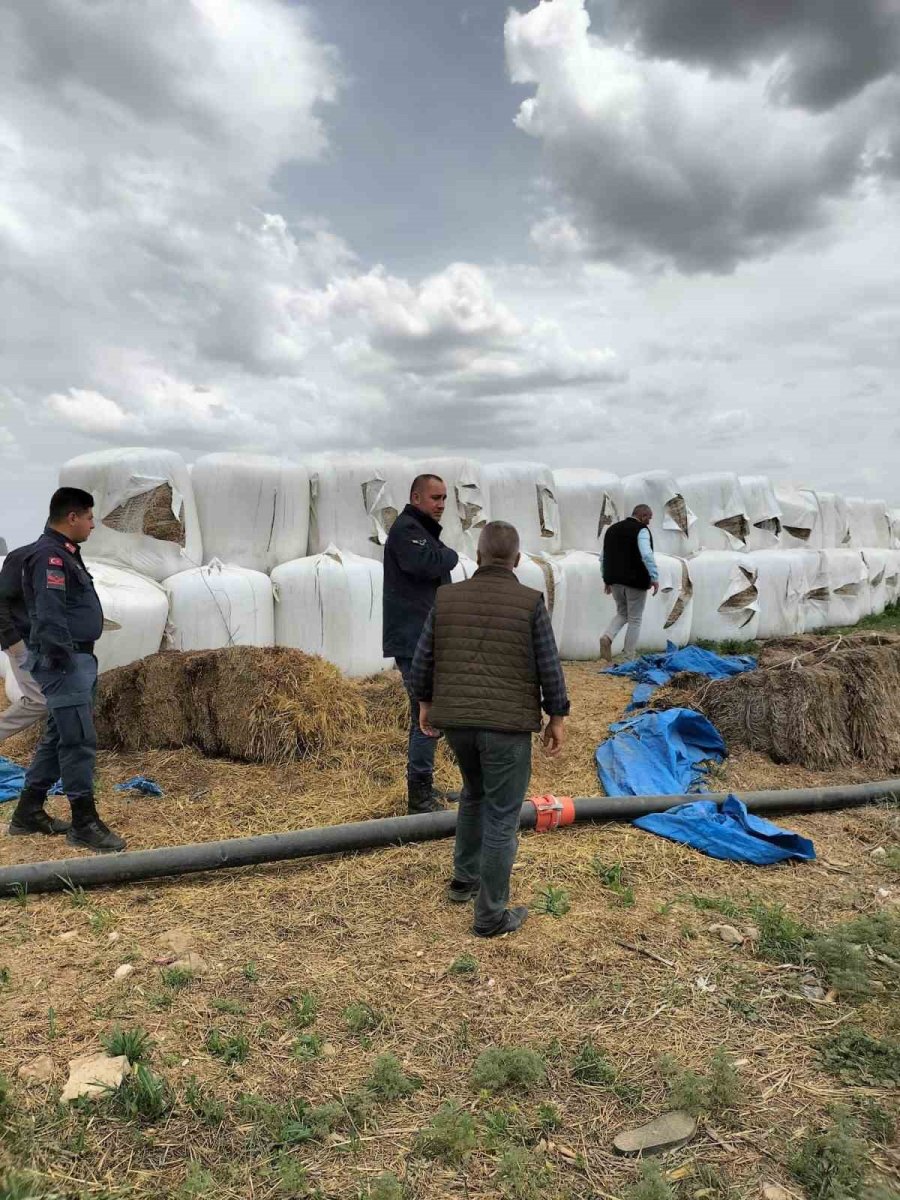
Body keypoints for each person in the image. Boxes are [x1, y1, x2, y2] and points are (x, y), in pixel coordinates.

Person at [409, 520, 569, 938]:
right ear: (517, 560)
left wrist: (425, 704)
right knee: (502, 815)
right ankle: (491, 915)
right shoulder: (530, 602)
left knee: (473, 795)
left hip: (458, 722)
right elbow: (549, 666)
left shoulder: (446, 598)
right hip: (507, 726)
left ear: (477, 556)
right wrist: (557, 716)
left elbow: (423, 659)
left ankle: (465, 880)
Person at [6, 488, 125, 852]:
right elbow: (50, 610)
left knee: (58, 736)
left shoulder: (64, 554)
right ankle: (84, 822)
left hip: (75, 659)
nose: (92, 524)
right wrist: (61, 660)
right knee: (78, 741)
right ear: (71, 517)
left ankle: (27, 812)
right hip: (66, 662)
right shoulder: (50, 557)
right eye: (88, 517)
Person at [383, 473, 460, 815]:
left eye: (444, 498)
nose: (441, 505)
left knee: (431, 716)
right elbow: (427, 564)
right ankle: (419, 798)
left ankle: (425, 785)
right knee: (424, 719)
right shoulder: (406, 531)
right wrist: (450, 555)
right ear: (416, 498)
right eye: (435, 498)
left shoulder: (421, 531)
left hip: (425, 638)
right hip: (414, 641)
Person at [0, 541, 47, 744]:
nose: (91, 526)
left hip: (47, 644)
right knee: (39, 700)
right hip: (22, 642)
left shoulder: (67, 560)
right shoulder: (23, 557)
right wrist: (13, 640)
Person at [599, 504, 659, 662]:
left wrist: (606, 578)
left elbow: (603, 557)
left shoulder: (611, 530)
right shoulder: (641, 530)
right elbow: (646, 554)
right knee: (635, 619)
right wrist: (654, 577)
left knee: (622, 613)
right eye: (649, 518)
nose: (649, 522)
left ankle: (607, 636)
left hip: (615, 581)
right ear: (642, 515)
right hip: (635, 582)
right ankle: (628, 657)